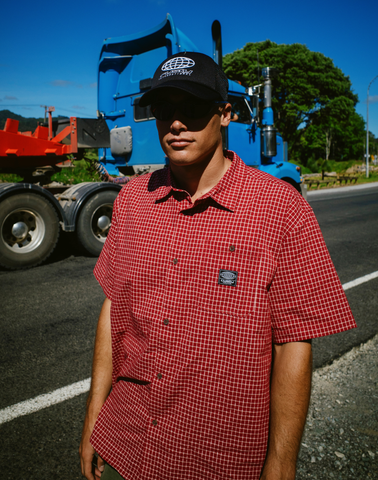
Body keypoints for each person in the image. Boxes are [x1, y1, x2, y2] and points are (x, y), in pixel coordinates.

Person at [79, 52, 356, 480]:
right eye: (163, 110)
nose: (175, 123)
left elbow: (293, 343)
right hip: (127, 440)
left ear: (224, 114)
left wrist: (281, 463)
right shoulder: (132, 201)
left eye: (190, 108)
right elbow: (114, 306)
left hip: (217, 457)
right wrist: (95, 412)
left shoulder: (281, 209)